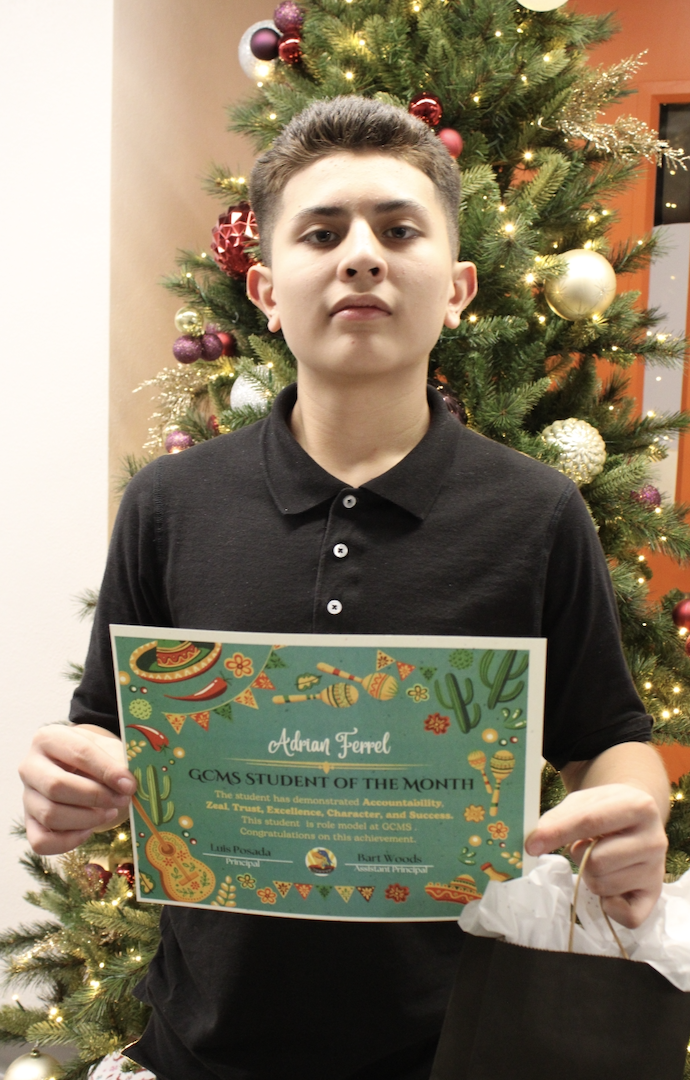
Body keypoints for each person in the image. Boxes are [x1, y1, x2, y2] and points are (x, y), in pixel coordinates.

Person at [19, 96, 669, 1080]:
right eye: (322, 234)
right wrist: (75, 780)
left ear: (457, 289)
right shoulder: (169, 503)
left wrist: (630, 809)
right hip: (203, 1053)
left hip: (460, 1050)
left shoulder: (538, 514)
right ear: (266, 291)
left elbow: (608, 736)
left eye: (398, 230)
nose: (361, 255)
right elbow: (105, 729)